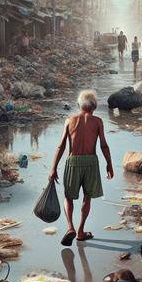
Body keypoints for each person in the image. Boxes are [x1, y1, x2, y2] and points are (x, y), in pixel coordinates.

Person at [48, 90, 114, 246]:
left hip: (73, 161)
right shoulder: (97, 121)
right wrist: (109, 165)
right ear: (94, 107)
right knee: (87, 197)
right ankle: (80, 231)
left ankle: (70, 227)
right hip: (91, 162)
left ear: (79, 105)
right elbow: (104, 145)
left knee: (68, 197)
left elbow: (61, 146)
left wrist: (53, 168)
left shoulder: (70, 120)